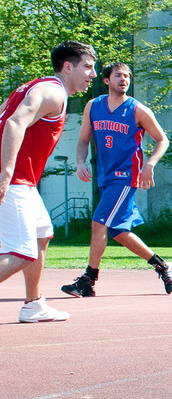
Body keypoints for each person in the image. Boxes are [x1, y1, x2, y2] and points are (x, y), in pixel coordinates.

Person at [60, 63, 172, 298]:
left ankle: (88, 279)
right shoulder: (93, 106)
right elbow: (83, 140)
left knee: (98, 223)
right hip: (105, 177)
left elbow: (162, 140)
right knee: (119, 232)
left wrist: (150, 164)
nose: (123, 80)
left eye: (127, 76)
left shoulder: (138, 110)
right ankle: (164, 266)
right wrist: (80, 162)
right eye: (118, 76)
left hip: (126, 177)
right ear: (106, 80)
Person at [0, 40, 97, 322]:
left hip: (25, 181)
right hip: (15, 179)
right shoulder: (52, 91)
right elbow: (14, 123)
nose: (92, 74)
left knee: (42, 234)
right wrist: (5, 173)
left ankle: (34, 304)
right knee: (22, 253)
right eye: (87, 67)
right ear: (68, 67)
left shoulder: (33, 86)